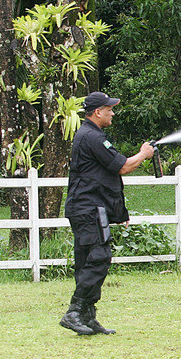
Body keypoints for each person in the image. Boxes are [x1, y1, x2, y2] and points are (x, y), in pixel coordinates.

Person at [60, 92, 154, 335]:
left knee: (87, 260)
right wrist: (144, 154)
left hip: (86, 208)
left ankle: (88, 316)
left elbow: (103, 177)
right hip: (87, 209)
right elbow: (122, 166)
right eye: (109, 108)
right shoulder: (91, 136)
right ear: (97, 112)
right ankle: (75, 311)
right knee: (99, 256)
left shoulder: (91, 135)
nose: (112, 112)